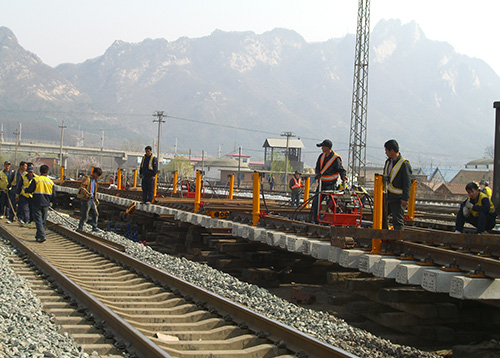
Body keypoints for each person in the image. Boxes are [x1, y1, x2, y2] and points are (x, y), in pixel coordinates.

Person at [312, 139, 347, 223]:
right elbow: (318, 167)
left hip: (331, 185)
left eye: (323, 147)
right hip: (322, 184)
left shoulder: (335, 159)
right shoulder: (321, 156)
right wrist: (317, 174)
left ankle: (330, 221)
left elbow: (341, 169)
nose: (322, 148)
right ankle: (316, 220)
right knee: (316, 202)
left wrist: (343, 176)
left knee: (331, 205)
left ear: (328, 148)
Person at [383, 139, 412, 230]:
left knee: (398, 220)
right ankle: (385, 235)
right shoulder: (388, 162)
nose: (385, 153)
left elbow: (407, 182)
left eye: (386, 151)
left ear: (392, 151)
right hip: (388, 195)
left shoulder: (404, 164)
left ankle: (398, 240)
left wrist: (405, 198)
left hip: (398, 197)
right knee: (382, 216)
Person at [24, 165, 55, 243]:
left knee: (38, 219)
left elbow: (30, 189)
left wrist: (25, 189)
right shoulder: (50, 182)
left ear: (40, 171)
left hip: (37, 202)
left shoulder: (36, 179)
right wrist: (51, 201)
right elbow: (54, 194)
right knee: (43, 220)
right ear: (47, 172)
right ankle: (39, 235)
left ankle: (42, 235)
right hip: (46, 203)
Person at [77, 167, 102, 231]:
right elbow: (82, 187)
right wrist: (87, 194)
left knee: (95, 213)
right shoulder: (87, 179)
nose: (97, 177)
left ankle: (94, 226)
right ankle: (80, 227)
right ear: (94, 173)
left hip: (92, 200)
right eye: (97, 175)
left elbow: (94, 190)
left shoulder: (95, 181)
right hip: (86, 199)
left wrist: (95, 198)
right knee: (85, 215)